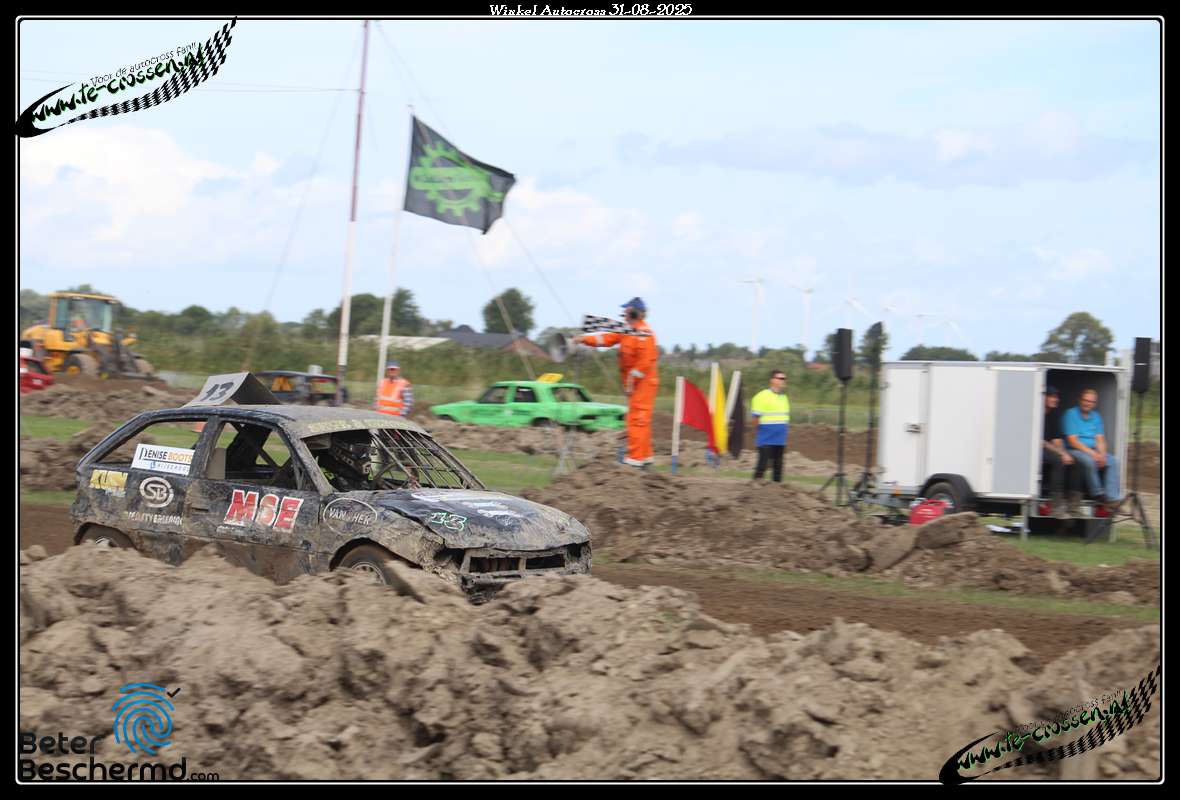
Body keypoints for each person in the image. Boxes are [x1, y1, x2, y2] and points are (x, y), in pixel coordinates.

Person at [576, 297, 658, 466]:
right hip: (635, 384)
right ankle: (645, 457)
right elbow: (606, 339)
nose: (623, 314)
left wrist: (631, 380)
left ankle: (635, 460)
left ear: (634, 312)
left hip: (644, 383)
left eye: (626, 311)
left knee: (637, 420)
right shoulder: (626, 330)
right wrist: (584, 339)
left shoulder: (644, 333)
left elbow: (644, 362)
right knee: (638, 420)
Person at [1063, 388, 1121, 510]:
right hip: (1074, 450)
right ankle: (1098, 494)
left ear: (1094, 404)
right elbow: (1073, 441)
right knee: (1089, 461)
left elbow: (1100, 438)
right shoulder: (1071, 414)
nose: (1087, 403)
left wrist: (1102, 455)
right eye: (1085, 400)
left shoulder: (1096, 416)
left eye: (1091, 402)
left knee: (1112, 461)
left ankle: (1112, 499)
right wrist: (1093, 454)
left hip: (1092, 450)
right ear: (1080, 400)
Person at [751, 370, 791, 482]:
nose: (784, 381)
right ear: (772, 380)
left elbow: (784, 418)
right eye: (781, 378)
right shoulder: (762, 396)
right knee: (762, 465)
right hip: (766, 438)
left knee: (778, 467)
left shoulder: (784, 397)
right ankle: (755, 485)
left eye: (785, 379)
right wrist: (761, 432)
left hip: (780, 439)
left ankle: (776, 489)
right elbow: (755, 419)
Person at [1040, 385, 1073, 517]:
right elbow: (1040, 442)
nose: (1056, 399)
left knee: (1073, 461)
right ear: (1043, 397)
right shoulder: (1036, 413)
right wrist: (1061, 454)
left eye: (1056, 397)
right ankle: (1056, 506)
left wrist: (1066, 454)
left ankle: (1073, 506)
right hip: (1034, 450)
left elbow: (1056, 439)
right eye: (1052, 396)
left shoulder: (1053, 415)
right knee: (1057, 460)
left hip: (1047, 449)